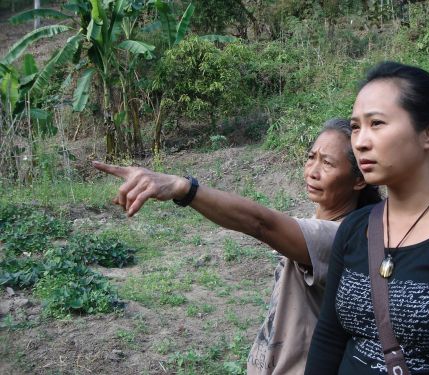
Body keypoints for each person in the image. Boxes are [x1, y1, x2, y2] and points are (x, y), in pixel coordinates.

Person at [93, 119, 381, 375]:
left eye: (328, 164)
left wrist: (184, 189)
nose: (313, 171)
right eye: (310, 158)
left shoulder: (342, 237)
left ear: (359, 179)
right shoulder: (329, 226)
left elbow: (260, 223)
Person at [304, 62, 429, 374]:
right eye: (356, 127)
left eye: (377, 123)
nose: (360, 142)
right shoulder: (356, 228)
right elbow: (329, 338)